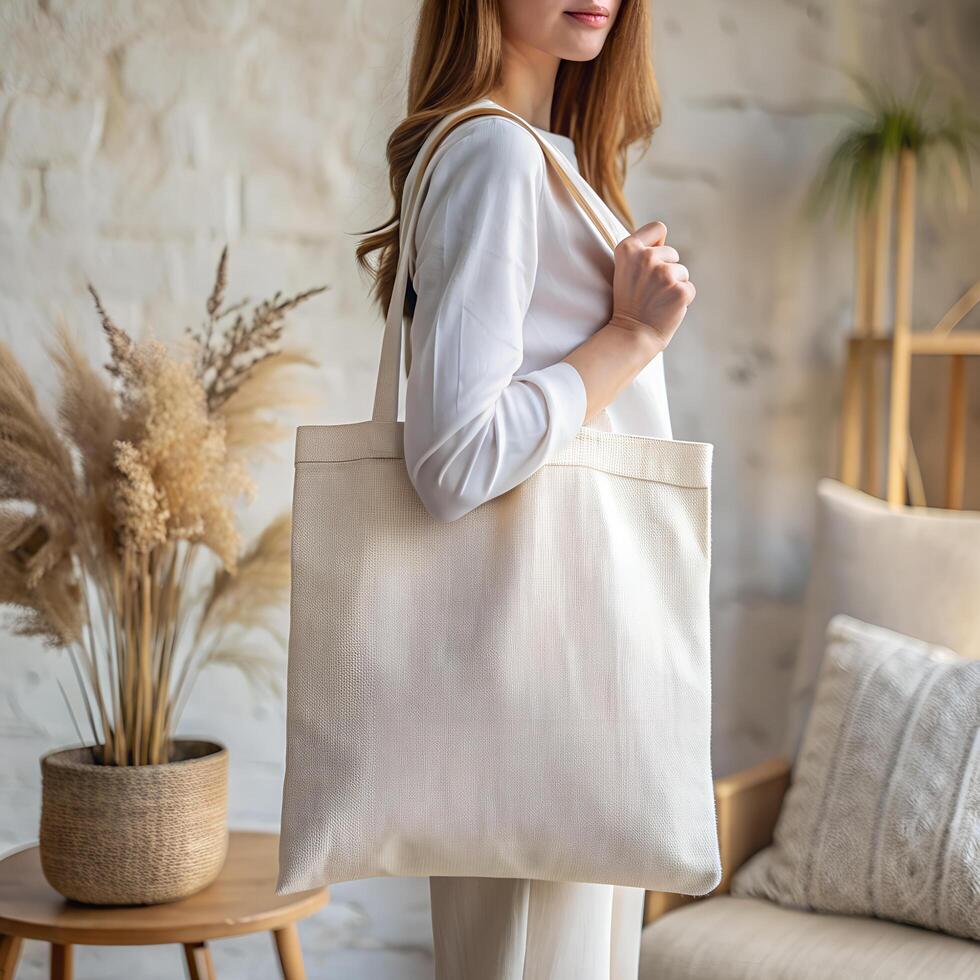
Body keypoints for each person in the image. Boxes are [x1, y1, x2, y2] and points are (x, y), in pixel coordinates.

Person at [355, 2, 695, 977]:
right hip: (543, 687)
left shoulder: (542, 160)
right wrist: (625, 340)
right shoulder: (495, 158)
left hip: (561, 678)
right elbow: (452, 457)